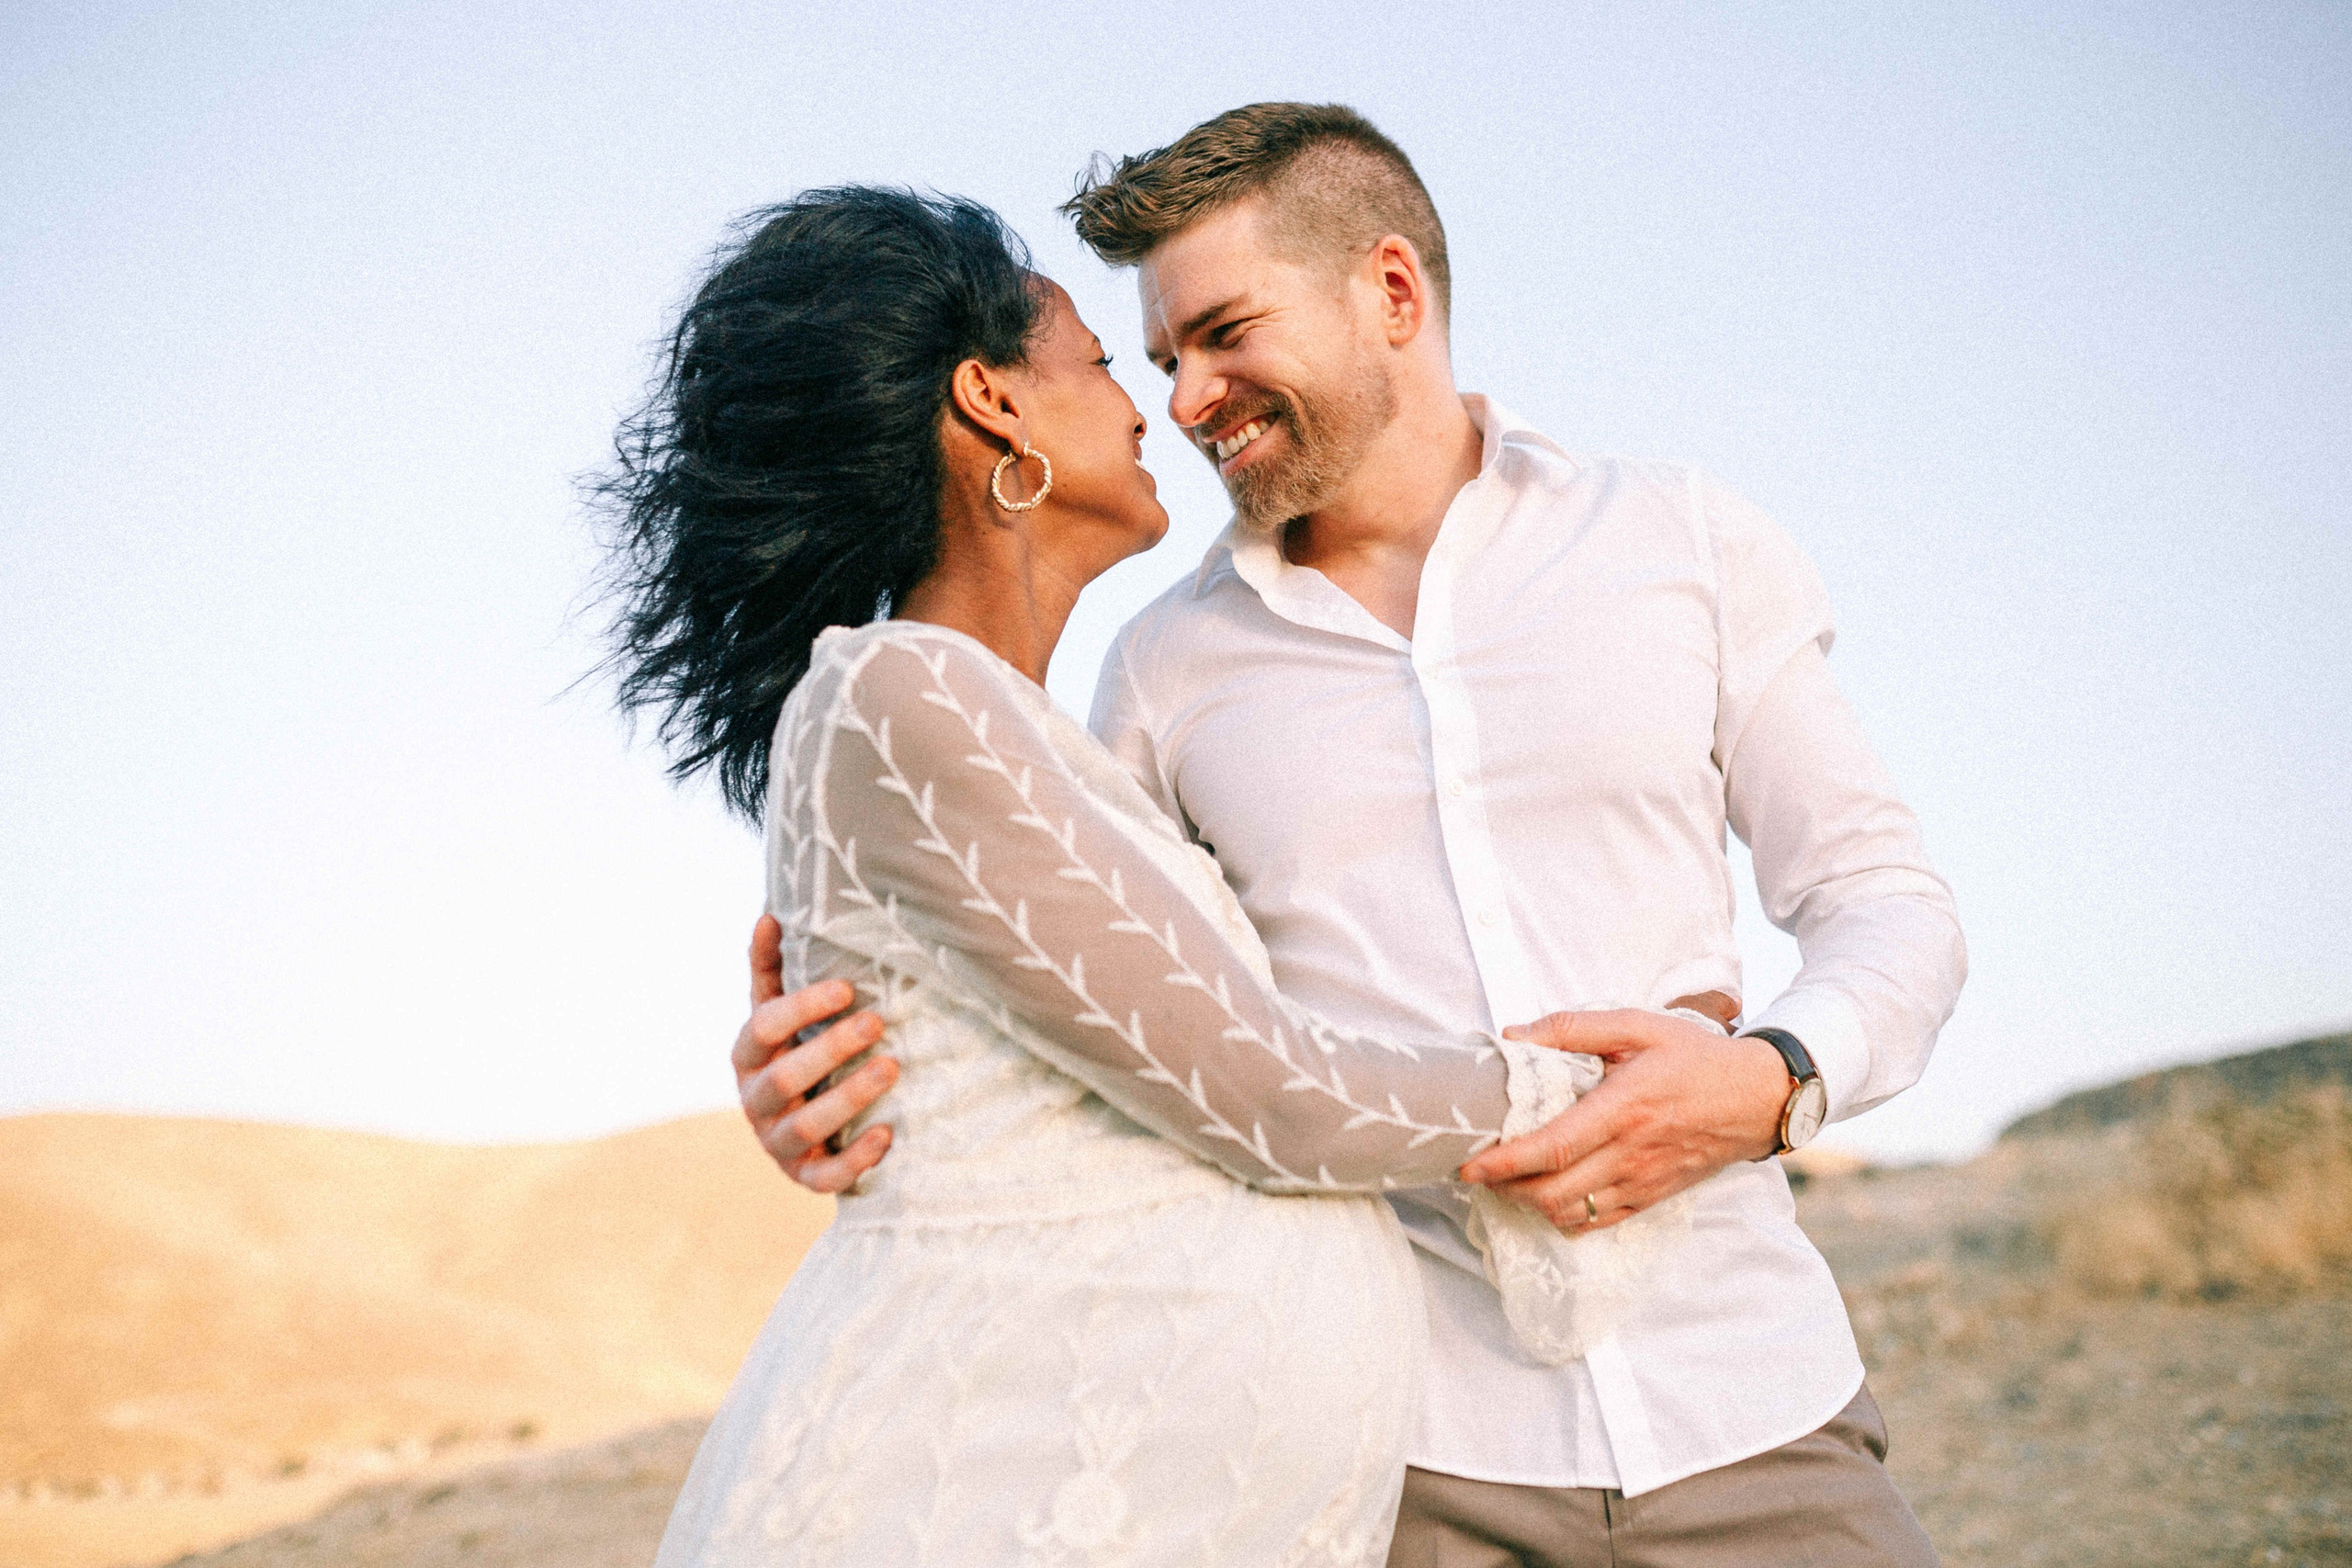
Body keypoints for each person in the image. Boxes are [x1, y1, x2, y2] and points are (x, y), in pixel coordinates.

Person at [736, 105, 1966, 1566]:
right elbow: (1122, 1018)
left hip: (1751, 1406)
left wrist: (1776, 1081)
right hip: (1401, 1464)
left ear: (1390, 291)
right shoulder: (1159, 674)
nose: (1187, 397)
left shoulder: (1679, 545)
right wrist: (846, 1073)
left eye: (1222, 333)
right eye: (1162, 354)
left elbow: (1886, 899)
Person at [599, 185, 1710, 1568]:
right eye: (1106, 362)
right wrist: (1606, 1088)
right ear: (992, 404)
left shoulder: (1054, 746)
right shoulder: (896, 697)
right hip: (977, 1498)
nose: (1154, 410)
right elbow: (1267, 1091)